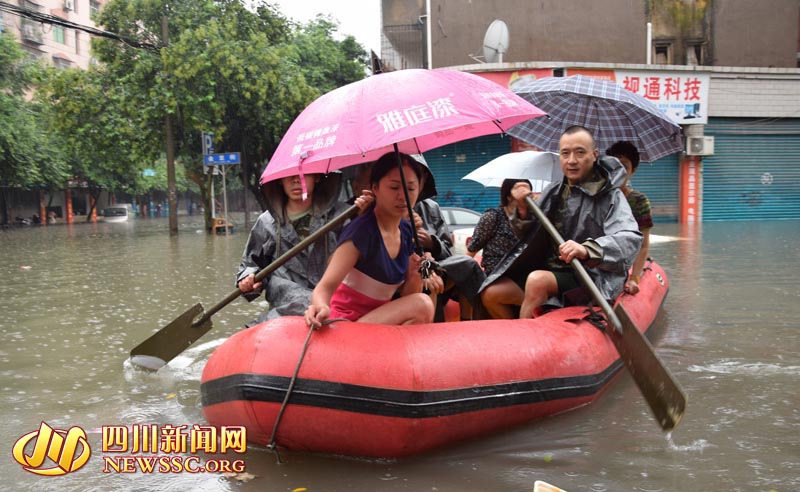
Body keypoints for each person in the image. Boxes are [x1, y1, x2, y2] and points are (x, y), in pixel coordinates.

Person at [480, 126, 642, 319]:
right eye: (565, 153)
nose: (571, 160)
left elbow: (629, 239)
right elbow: (527, 235)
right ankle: (522, 331)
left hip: (589, 275)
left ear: (595, 155)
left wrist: (588, 249)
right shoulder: (553, 191)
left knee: (537, 280)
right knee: (491, 294)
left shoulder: (610, 196)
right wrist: (522, 210)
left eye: (580, 152)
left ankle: (527, 341)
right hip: (551, 269)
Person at [305, 152, 435, 328]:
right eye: (394, 188)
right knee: (423, 304)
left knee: (426, 301)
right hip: (346, 325)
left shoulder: (406, 232)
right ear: (375, 188)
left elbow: (407, 294)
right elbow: (324, 287)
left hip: (375, 325)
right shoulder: (362, 231)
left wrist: (421, 272)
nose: (403, 196)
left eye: (410, 188)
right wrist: (320, 306)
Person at [236, 171, 354, 325]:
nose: (296, 180)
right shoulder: (266, 222)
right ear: (280, 180)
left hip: (332, 306)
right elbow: (250, 266)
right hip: (284, 311)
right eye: (289, 174)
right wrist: (249, 280)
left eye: (305, 174)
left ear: (317, 177)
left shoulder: (342, 216)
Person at [606, 141, 653, 295]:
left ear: (633, 170)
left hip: (626, 262)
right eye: (614, 166)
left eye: (624, 167)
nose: (618, 171)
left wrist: (634, 278)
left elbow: (643, 245)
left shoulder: (639, 201)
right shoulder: (598, 197)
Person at [467, 179, 535, 276]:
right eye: (519, 188)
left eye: (527, 189)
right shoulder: (492, 217)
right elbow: (472, 249)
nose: (524, 193)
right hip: (497, 273)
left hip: (526, 272)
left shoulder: (535, 218)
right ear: (508, 196)